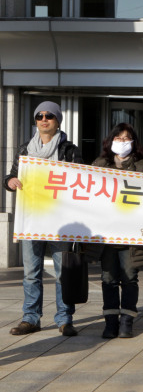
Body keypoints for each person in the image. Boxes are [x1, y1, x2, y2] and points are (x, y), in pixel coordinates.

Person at [3, 101, 83, 337]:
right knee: (31, 272)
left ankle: (64, 318)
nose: (44, 119)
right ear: (36, 120)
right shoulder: (25, 148)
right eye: (40, 116)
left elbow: (80, 180)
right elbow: (11, 176)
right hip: (31, 219)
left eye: (49, 116)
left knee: (62, 272)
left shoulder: (69, 150)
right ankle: (30, 317)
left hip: (60, 220)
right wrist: (10, 182)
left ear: (58, 121)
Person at [91, 123, 143, 339]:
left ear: (134, 143)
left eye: (127, 139)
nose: (123, 143)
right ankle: (110, 322)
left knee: (129, 278)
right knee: (108, 278)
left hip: (132, 235)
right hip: (107, 235)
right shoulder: (98, 165)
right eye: (118, 138)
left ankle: (127, 320)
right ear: (110, 142)